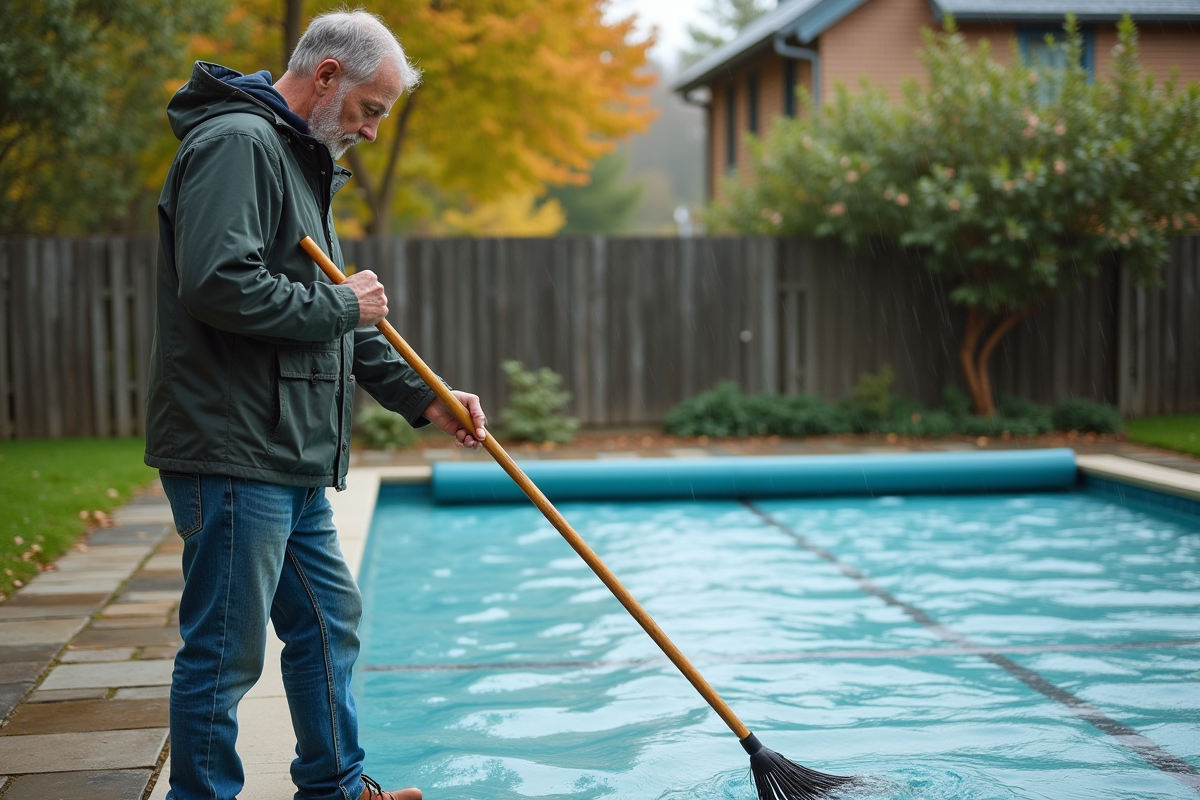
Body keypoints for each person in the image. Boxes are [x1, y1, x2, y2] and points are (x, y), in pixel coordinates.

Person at [145, 10, 485, 800]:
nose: (371, 133)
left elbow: (329, 314)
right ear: (328, 74)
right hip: (233, 447)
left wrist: (423, 397)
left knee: (329, 625)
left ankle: (336, 787)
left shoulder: (297, 159)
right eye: (372, 110)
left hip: (286, 452)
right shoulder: (239, 145)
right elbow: (219, 284)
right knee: (224, 653)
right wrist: (346, 308)